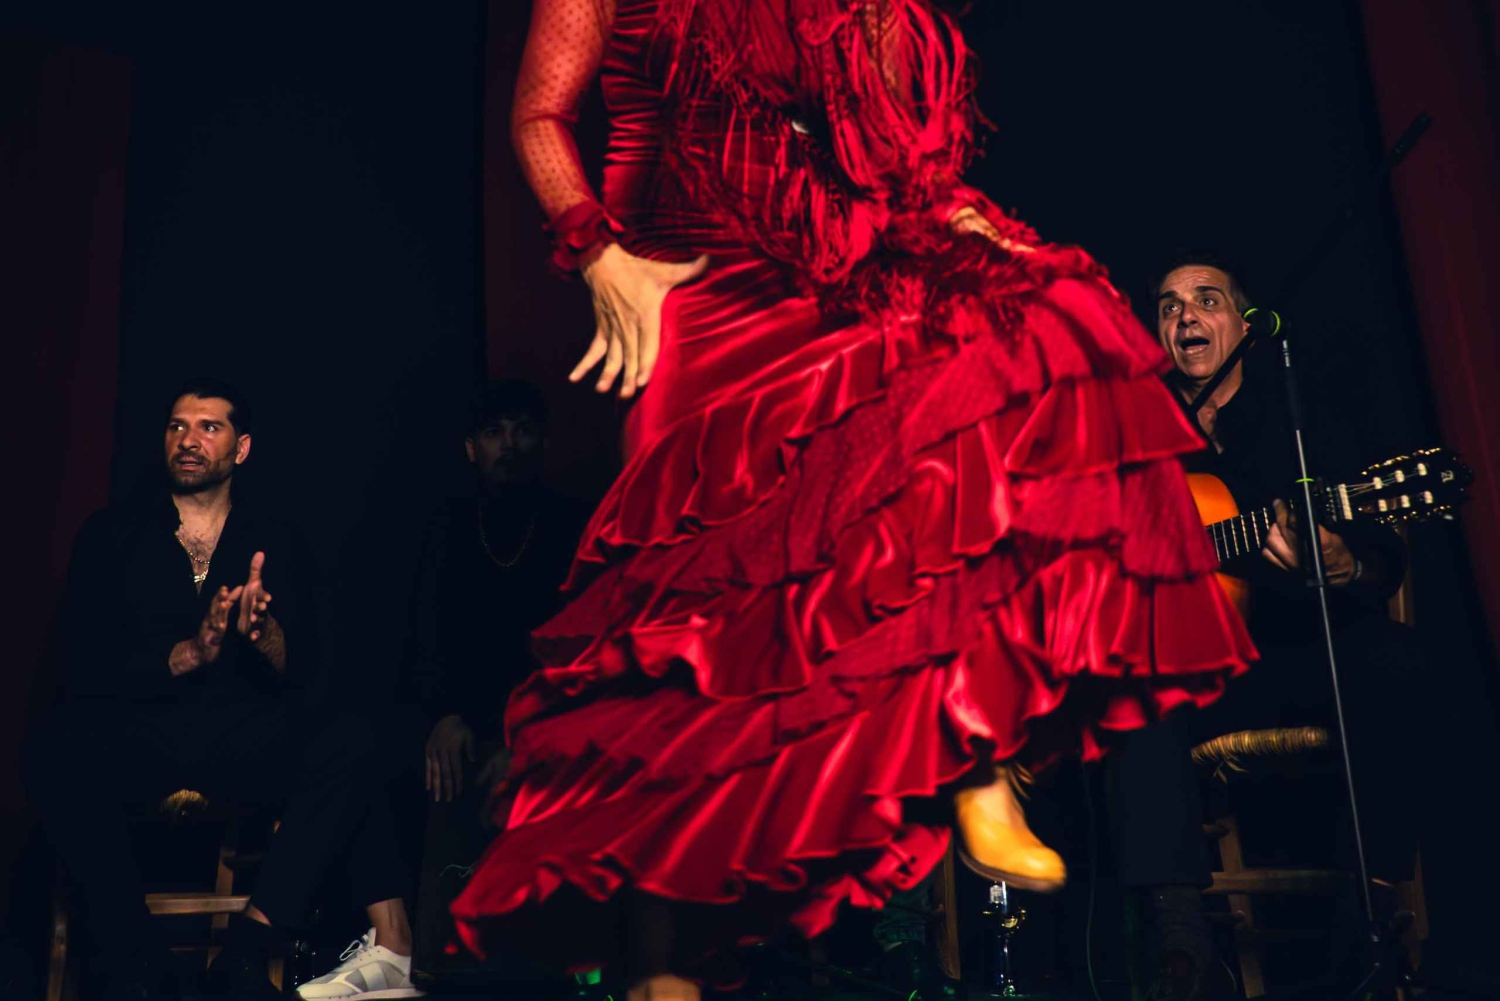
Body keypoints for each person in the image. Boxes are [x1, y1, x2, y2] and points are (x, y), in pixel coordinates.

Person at [453, 5, 1254, 999]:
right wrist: (598, 254)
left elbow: (877, 144)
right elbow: (540, 115)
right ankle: (662, 968)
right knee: (688, 634)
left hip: (818, 275)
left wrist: (953, 214)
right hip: (684, 290)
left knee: (994, 369)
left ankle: (974, 762)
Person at [26, 378, 422, 1001]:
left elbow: (311, 670)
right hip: (143, 733)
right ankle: (138, 962)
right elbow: (79, 663)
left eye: (209, 428)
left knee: (352, 738)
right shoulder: (112, 535)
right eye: (178, 427)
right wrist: (186, 655)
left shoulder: (278, 538)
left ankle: (248, 952)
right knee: (51, 748)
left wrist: (263, 636)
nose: (189, 440)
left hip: (242, 732)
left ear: (240, 449)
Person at [1103, 254, 1425, 998]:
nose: (1185, 315)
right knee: (1130, 688)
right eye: (1168, 305)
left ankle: (1370, 921)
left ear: (1244, 326)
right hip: (1196, 678)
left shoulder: (1300, 418)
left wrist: (1345, 565)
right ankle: (1179, 943)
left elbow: (1381, 560)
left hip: (1296, 657)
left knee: (1395, 657)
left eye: (1205, 299)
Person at [401, 379, 586, 974]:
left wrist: (526, 738)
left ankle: (539, 966)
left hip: (546, 723)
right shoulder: (446, 528)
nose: (509, 444)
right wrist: (446, 716)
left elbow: (582, 653)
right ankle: (434, 961)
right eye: (493, 432)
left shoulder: (571, 526)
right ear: (470, 448)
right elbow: (426, 639)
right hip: (465, 720)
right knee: (441, 769)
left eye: (523, 429)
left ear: (544, 440)